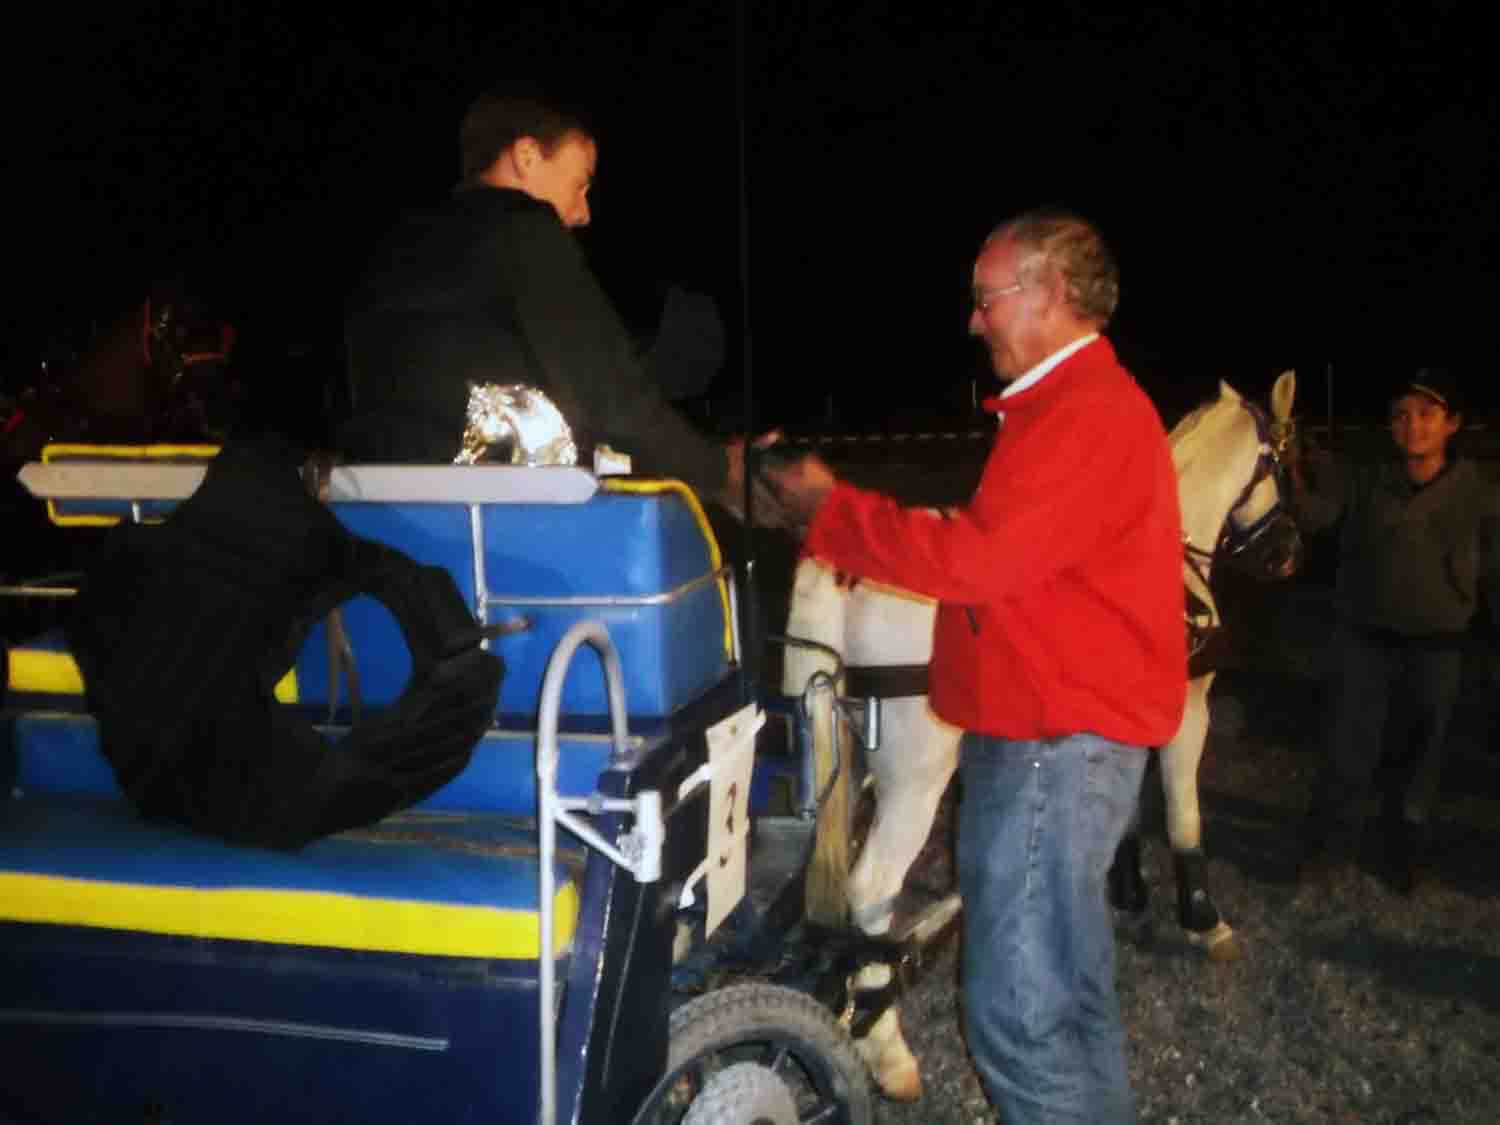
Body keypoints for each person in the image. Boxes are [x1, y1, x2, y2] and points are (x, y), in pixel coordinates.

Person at [762, 208, 1185, 1124]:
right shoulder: (1072, 408)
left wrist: (832, 511)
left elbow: (975, 561)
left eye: (986, 298)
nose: (974, 319)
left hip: (1052, 748)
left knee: (1020, 1019)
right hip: (1055, 737)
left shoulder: (1084, 415)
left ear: (1051, 293)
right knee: (1067, 998)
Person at [336, 89, 752, 512]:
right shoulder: (522, 229)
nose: (583, 212)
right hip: (493, 521)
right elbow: (613, 402)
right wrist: (724, 470)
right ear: (527, 157)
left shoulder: (394, 250)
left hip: (380, 510)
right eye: (580, 184)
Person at [1291, 368, 1500, 893]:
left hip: (1439, 643)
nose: (1413, 426)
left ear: (1452, 424)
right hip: (1365, 637)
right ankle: (1330, 847)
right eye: (1401, 416)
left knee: (1421, 751)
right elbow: (1317, 517)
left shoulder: (1478, 493)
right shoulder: (1366, 480)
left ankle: (1403, 848)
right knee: (1347, 746)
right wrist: (1294, 471)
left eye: (1427, 415)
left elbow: (1493, 568)